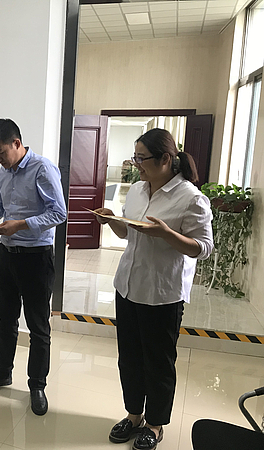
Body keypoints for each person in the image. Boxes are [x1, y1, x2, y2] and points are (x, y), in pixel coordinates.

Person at [95, 128, 213, 450]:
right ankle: (134, 416)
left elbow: (203, 248)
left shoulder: (190, 198)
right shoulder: (136, 190)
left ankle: (155, 424)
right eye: (135, 157)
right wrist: (112, 220)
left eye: (141, 158)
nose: (136, 164)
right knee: (129, 358)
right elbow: (128, 234)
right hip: (128, 286)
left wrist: (167, 235)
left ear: (165, 159)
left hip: (162, 294)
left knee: (158, 363)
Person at [0, 118, 66, 416]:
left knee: (38, 326)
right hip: (7, 255)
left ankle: (37, 385)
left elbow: (58, 213)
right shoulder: (4, 172)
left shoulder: (42, 168)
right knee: (6, 319)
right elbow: (0, 207)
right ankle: (2, 373)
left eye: (0, 152)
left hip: (36, 257)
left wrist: (21, 224)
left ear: (17, 143)